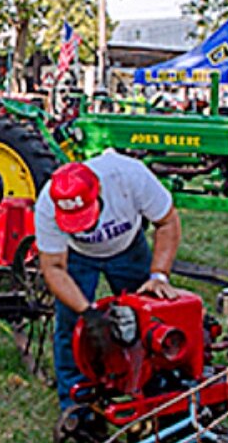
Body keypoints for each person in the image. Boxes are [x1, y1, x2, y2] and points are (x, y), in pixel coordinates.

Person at [34, 151, 182, 414]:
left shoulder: (129, 176)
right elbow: (53, 267)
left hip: (128, 248)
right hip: (79, 256)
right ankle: (76, 407)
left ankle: (156, 389)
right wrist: (87, 311)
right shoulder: (47, 204)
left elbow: (168, 221)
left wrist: (158, 275)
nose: (84, 226)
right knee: (72, 328)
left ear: (98, 190)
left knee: (150, 320)